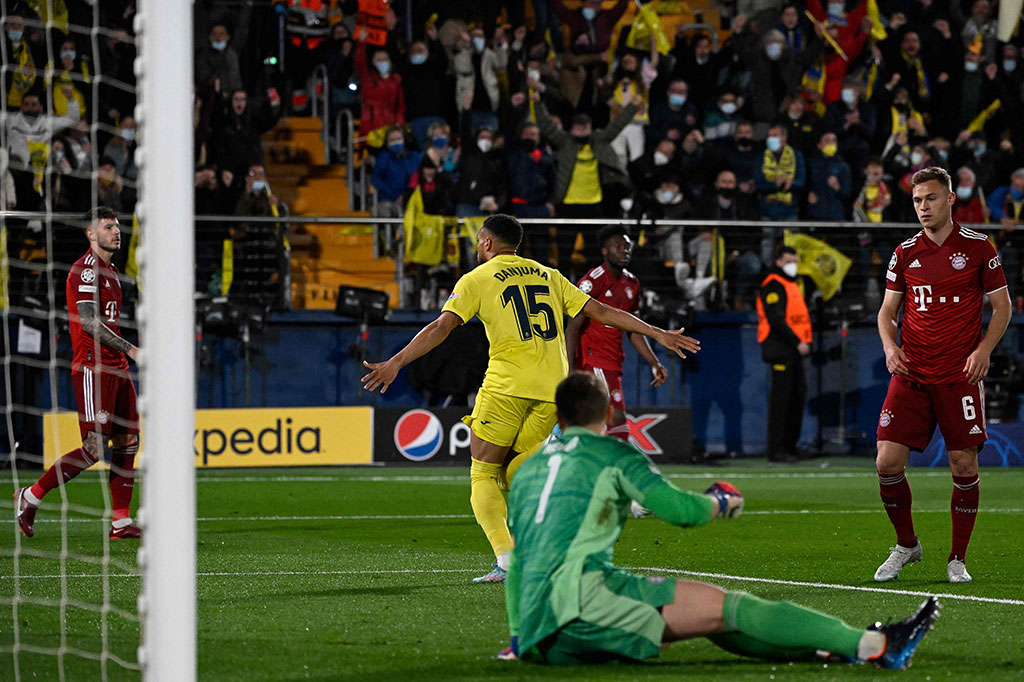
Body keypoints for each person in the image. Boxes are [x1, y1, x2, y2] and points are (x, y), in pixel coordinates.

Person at [499, 371, 940, 667]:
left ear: (559, 417)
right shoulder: (613, 453)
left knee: (712, 619)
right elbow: (682, 512)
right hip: (584, 606)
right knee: (732, 607)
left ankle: (826, 650)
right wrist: (720, 500)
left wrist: (521, 639)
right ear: (609, 414)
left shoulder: (529, 469)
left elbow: (518, 560)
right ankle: (878, 646)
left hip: (540, 632)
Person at [361, 214, 701, 583]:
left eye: (479, 241)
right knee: (510, 472)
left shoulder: (477, 278)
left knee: (483, 472)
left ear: (488, 242)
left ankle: (508, 559)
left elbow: (442, 326)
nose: (478, 246)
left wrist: (396, 362)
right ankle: (573, 473)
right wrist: (657, 333)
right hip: (552, 390)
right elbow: (602, 312)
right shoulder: (549, 275)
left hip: (507, 386)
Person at [874, 166, 1011, 584]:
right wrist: (890, 347)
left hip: (958, 374)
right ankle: (906, 545)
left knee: (964, 465)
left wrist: (983, 350)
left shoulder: (979, 248)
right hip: (911, 372)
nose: (923, 207)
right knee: (886, 462)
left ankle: (957, 558)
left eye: (930, 198)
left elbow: (1003, 307)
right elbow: (887, 312)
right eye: (917, 200)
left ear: (950, 199)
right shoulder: (905, 252)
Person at [15, 208, 142, 540]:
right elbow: (87, 321)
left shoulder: (112, 271)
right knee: (93, 448)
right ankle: (30, 496)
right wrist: (130, 348)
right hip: (93, 368)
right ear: (90, 233)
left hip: (117, 368)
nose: (117, 232)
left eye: (117, 226)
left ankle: (120, 522)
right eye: (108, 227)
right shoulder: (86, 271)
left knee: (128, 440)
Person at [565, 226, 667, 445]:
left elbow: (635, 330)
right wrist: (569, 369)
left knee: (600, 421)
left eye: (627, 246)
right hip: (592, 360)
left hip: (612, 362)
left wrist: (654, 362)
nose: (624, 250)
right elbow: (573, 326)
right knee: (615, 417)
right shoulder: (593, 280)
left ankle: (586, 457)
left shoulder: (632, 284)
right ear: (604, 250)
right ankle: (614, 462)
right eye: (618, 246)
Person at [756, 245, 812, 463]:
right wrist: (797, 341)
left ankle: (790, 446)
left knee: (796, 398)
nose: (793, 265)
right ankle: (776, 449)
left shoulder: (791, 284)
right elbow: (776, 319)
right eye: (788, 261)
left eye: (795, 261)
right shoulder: (773, 284)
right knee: (781, 401)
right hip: (780, 349)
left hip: (793, 350)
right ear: (778, 261)